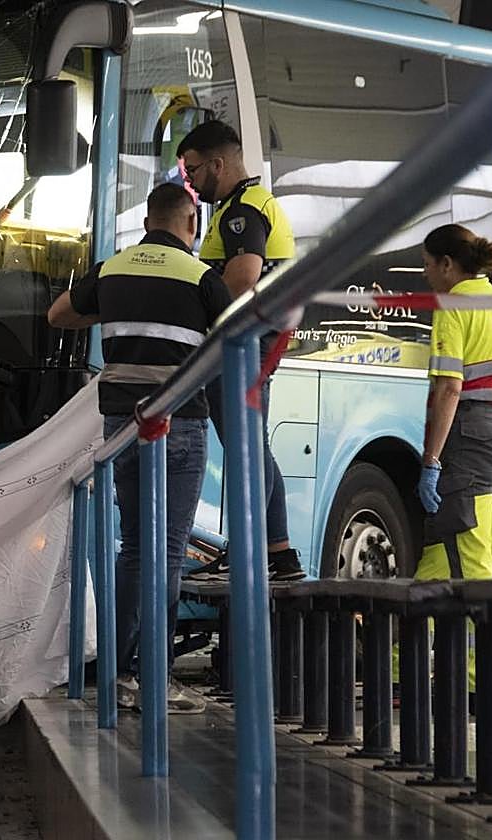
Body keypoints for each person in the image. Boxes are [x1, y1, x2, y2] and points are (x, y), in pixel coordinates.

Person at [48, 182, 231, 713]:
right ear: (190, 223)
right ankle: (153, 678)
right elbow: (231, 342)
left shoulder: (111, 269)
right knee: (167, 554)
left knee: (133, 549)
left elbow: (58, 315)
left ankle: (122, 672)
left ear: (148, 220)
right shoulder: (202, 277)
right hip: (179, 427)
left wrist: (107, 316)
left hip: (121, 429)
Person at [176, 120, 305, 582]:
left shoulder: (242, 211)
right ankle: (278, 553)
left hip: (244, 342)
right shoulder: (244, 203)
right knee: (251, 446)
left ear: (218, 163)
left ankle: (252, 549)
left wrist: (203, 325)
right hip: (256, 340)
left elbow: (243, 277)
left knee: (246, 447)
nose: (189, 182)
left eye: (193, 171)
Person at [416, 224, 492, 582]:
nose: (425, 273)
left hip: (472, 437)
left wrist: (431, 459)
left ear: (447, 264)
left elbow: (450, 388)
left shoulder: (453, 305)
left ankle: (471, 638)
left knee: (466, 553)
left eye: (427, 265)